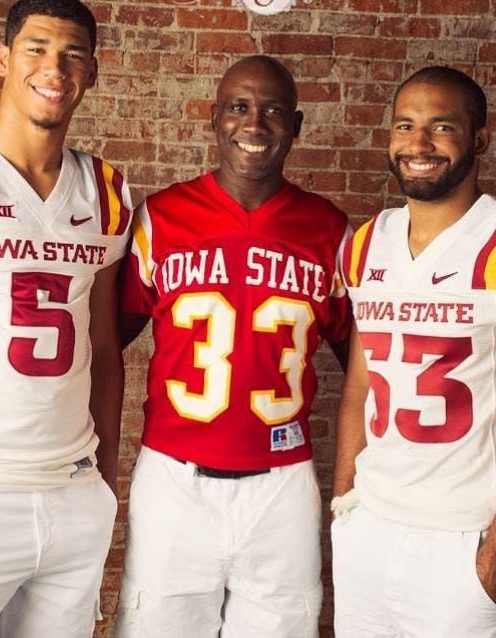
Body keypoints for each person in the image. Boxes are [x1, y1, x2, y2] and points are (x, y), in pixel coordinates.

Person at [115, 55, 352, 637]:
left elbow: (367, 369)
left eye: (273, 111)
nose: (255, 125)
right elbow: (104, 342)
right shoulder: (160, 218)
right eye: (240, 108)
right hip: (174, 479)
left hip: (283, 484)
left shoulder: (331, 231)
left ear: (296, 125)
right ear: (213, 117)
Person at [332, 66, 496, 637]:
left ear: (480, 138)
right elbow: (360, 380)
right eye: (405, 126)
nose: (418, 145)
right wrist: (344, 502)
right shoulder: (364, 242)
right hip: (369, 527)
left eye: (441, 126)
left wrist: (491, 558)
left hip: (463, 538)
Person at [0, 0, 132, 638]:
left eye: (74, 55)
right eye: (38, 49)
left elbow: (103, 347)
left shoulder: (107, 192)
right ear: (3, 59)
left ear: (93, 74)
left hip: (74, 488)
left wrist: (103, 485)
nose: (56, 68)